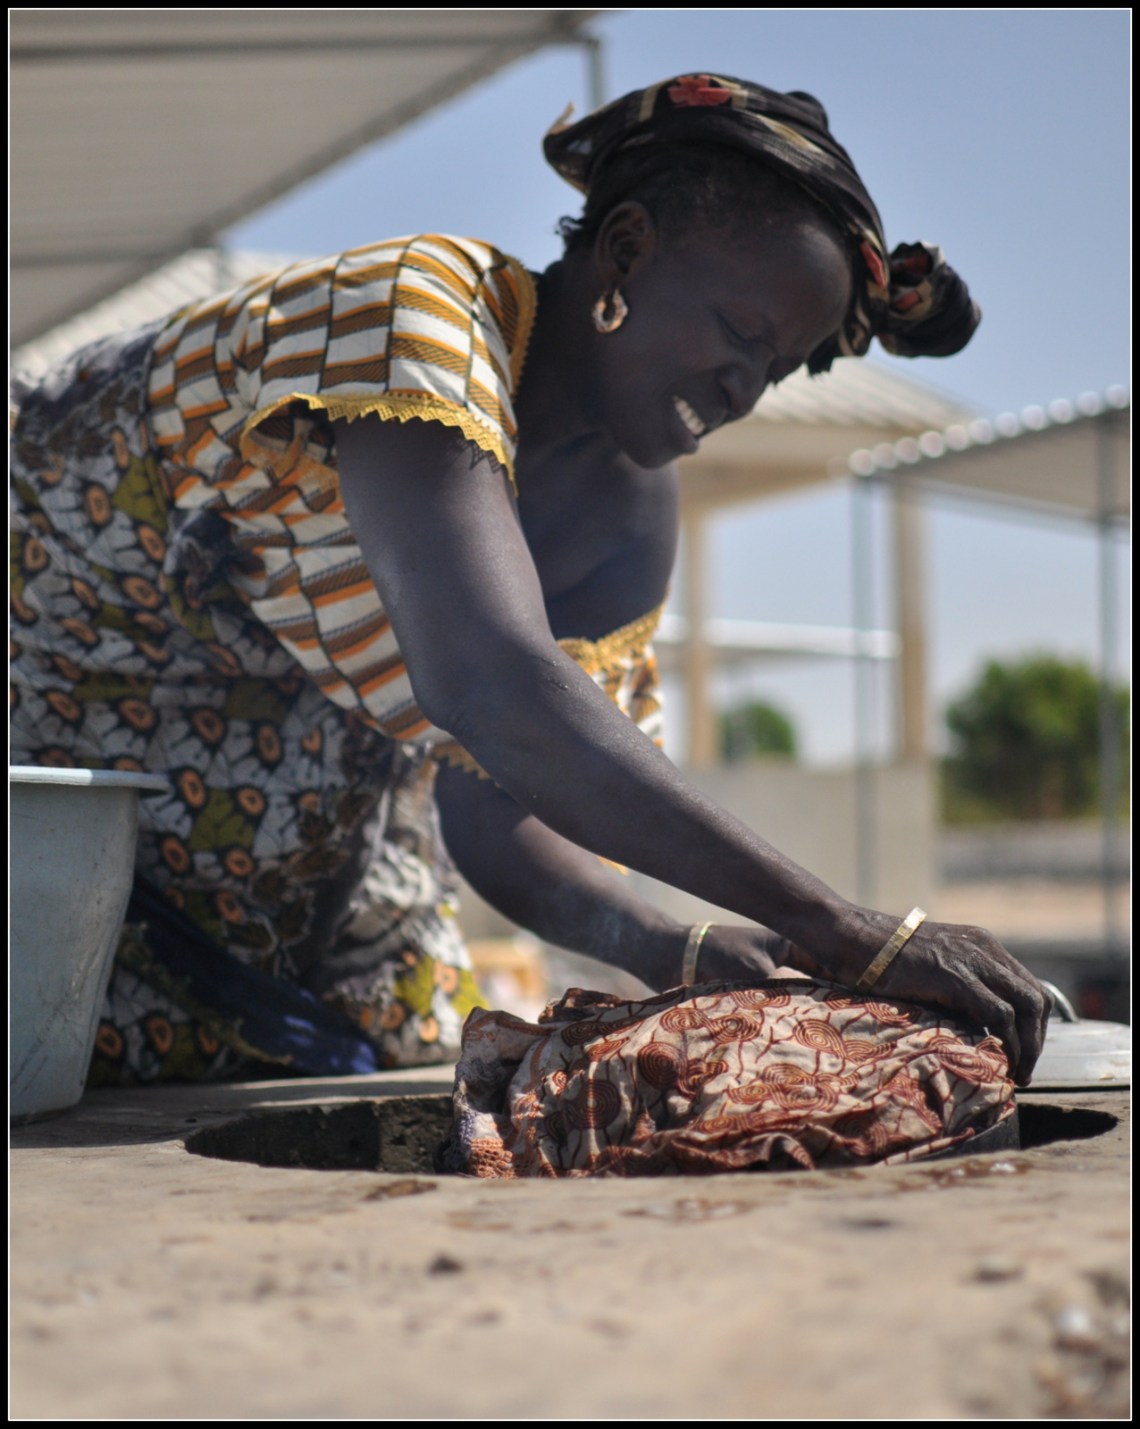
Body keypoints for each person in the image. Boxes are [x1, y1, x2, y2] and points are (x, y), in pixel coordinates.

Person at [10, 73, 1049, 1091]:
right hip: (54, 734)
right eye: (742, 336)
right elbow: (492, 687)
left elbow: (497, 801)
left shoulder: (627, 519)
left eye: (778, 369)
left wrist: (674, 946)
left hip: (309, 817)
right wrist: (839, 924)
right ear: (627, 249)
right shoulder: (414, 315)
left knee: (408, 1066)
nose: (745, 390)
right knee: (73, 1060)